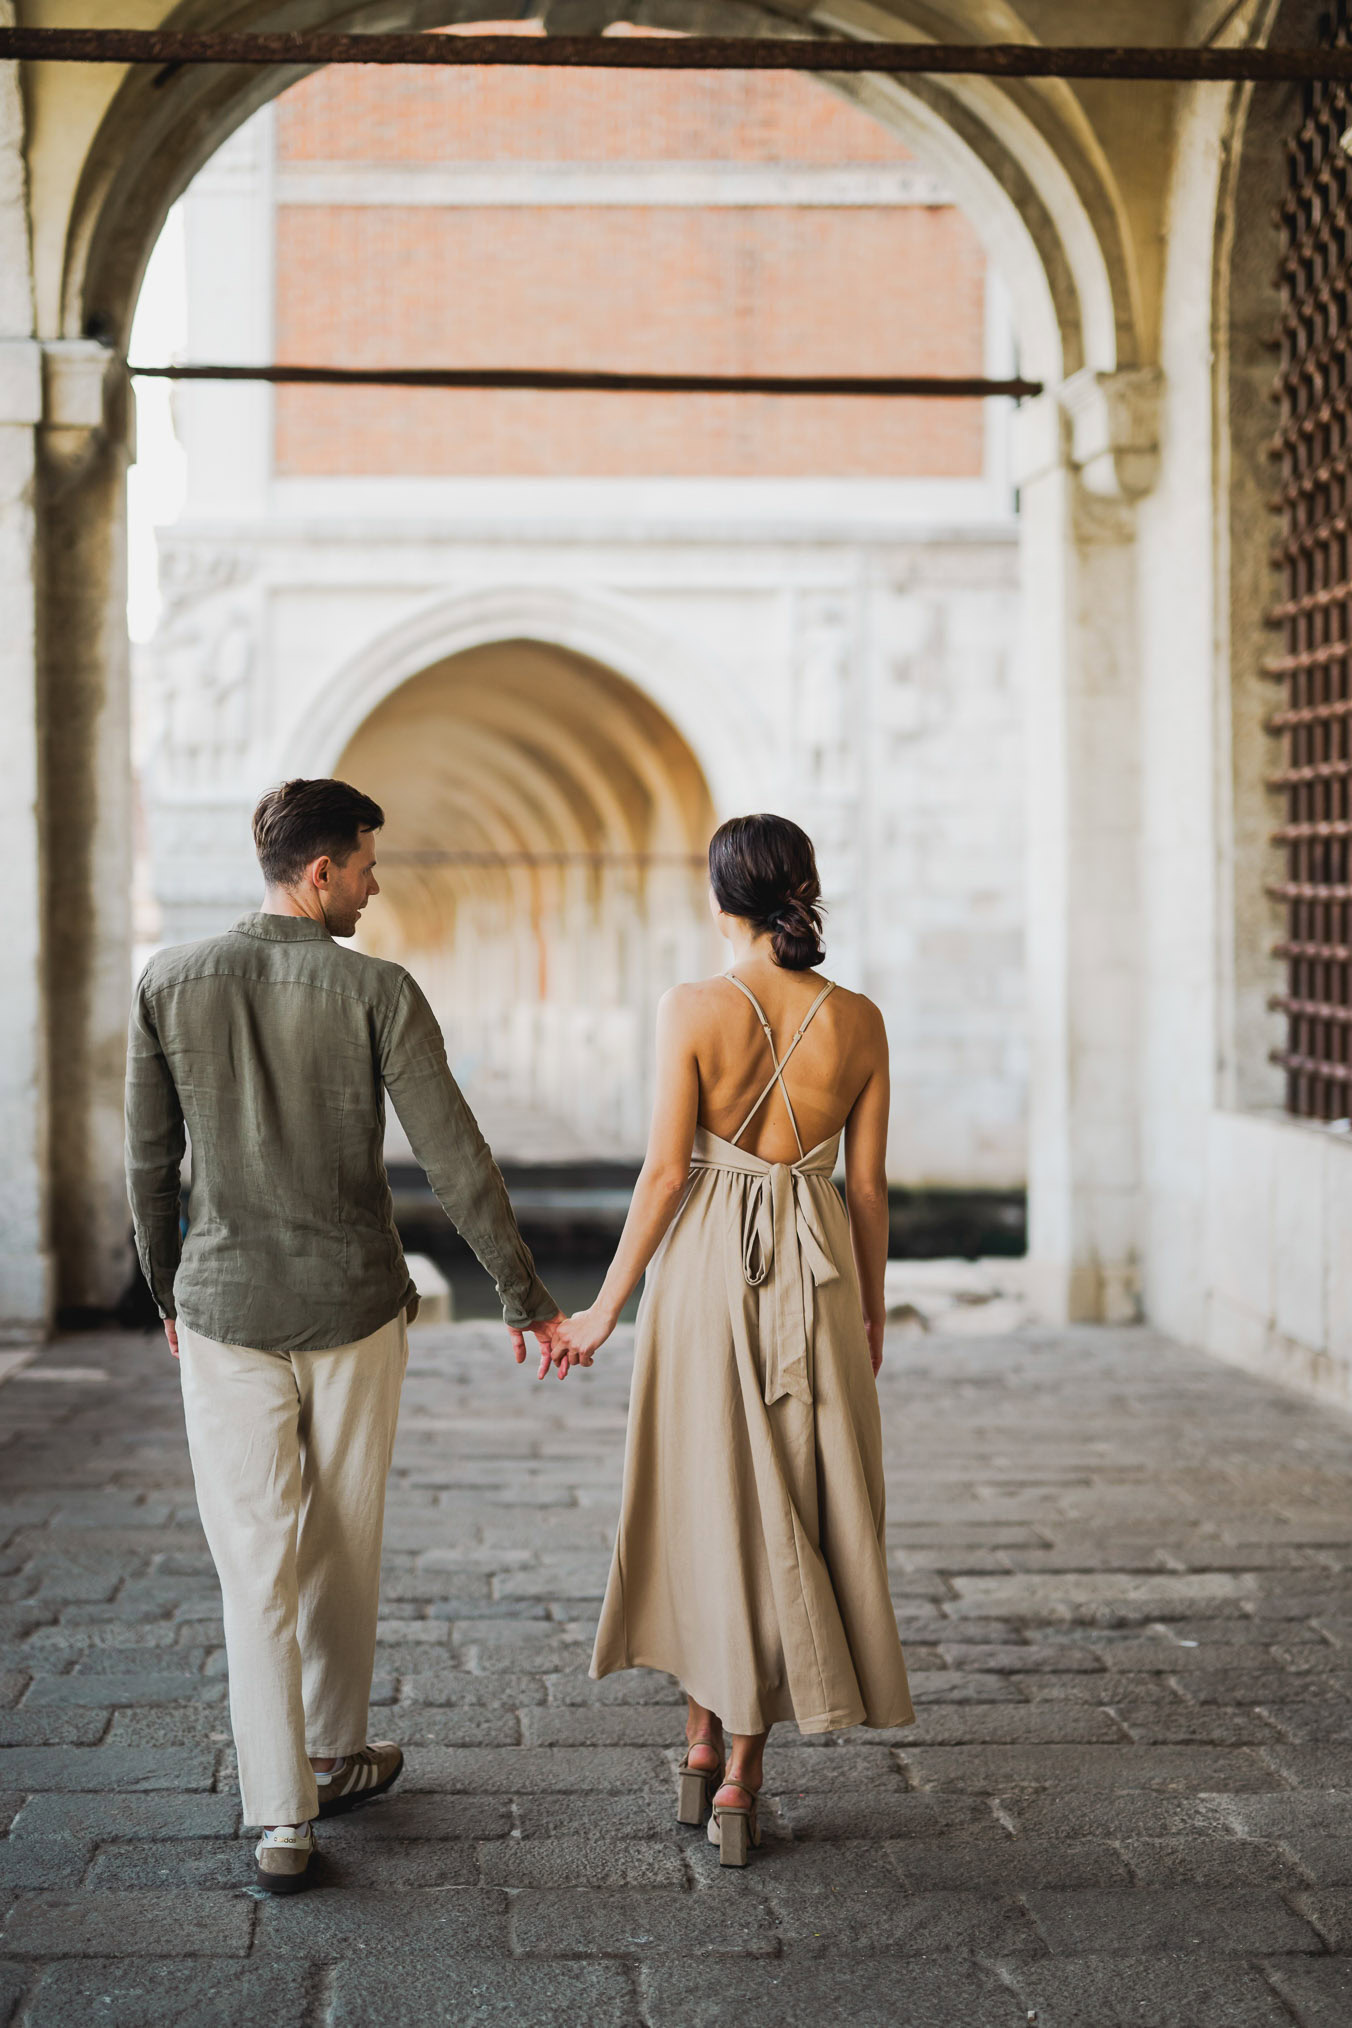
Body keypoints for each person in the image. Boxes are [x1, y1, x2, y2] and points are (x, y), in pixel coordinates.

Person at [124, 777, 561, 1894]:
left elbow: (149, 1164)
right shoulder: (378, 990)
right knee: (342, 1539)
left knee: (253, 1559)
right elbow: (455, 1158)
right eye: (366, 866)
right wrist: (521, 1294)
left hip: (225, 1310)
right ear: (320, 873)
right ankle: (333, 1747)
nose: (375, 886)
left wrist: (169, 1294)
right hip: (354, 1308)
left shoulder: (167, 982)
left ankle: (284, 1816)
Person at [549, 812, 913, 1868]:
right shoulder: (860, 1020)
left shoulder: (691, 1007)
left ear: (719, 899)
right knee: (790, 1509)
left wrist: (604, 1308)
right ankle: (744, 1779)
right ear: (802, 891)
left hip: (707, 1269)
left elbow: (664, 1175)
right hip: (818, 1265)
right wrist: (871, 1305)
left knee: (703, 1499)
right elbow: (869, 1185)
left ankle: (697, 1746)